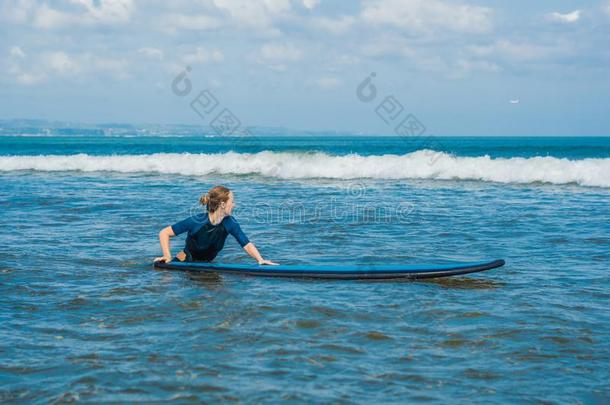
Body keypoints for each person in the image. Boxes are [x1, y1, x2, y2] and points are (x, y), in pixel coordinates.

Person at [154, 185, 278, 265]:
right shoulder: (197, 221)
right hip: (183, 265)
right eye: (232, 201)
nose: (234, 204)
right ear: (223, 204)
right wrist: (167, 256)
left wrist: (260, 259)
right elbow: (164, 233)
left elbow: (246, 243)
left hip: (206, 266)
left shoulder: (230, 222)